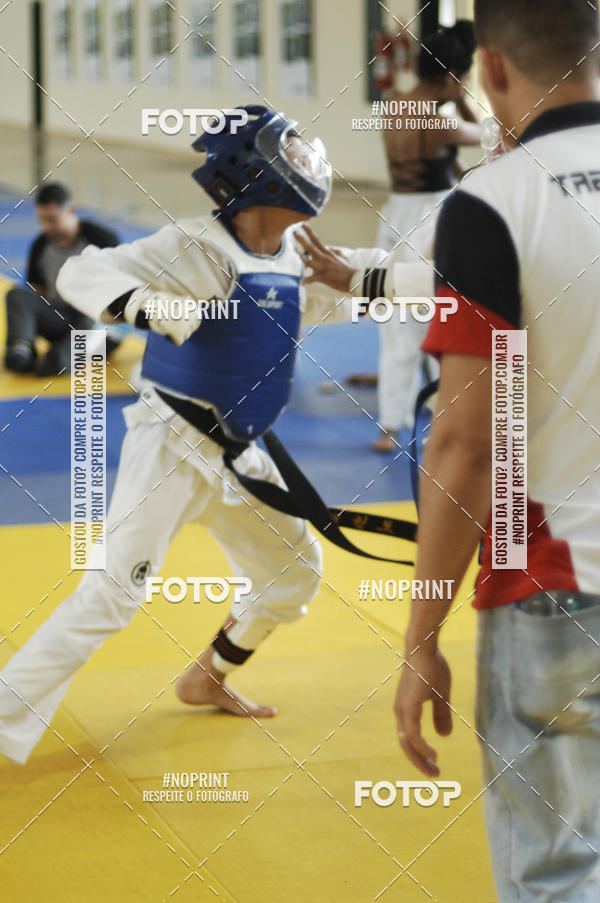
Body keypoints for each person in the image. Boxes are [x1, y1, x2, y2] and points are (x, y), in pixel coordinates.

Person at [0, 106, 344, 766]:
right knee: (112, 593)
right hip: (171, 447)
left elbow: (371, 276)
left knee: (294, 572)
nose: (307, 161)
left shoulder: (300, 254)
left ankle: (206, 675)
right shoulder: (193, 245)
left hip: (241, 452)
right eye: (292, 152)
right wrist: (145, 306)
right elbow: (81, 272)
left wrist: (460, 264)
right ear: (259, 175)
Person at [392, 2, 600, 901]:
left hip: (555, 578)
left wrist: (421, 635)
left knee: (555, 871)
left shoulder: (493, 202)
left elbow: (467, 443)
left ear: (494, 69)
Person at [373, 20, 482, 452]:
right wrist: (465, 98)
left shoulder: (394, 103)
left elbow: (446, 167)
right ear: (453, 77)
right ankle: (442, 413)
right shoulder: (443, 124)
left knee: (395, 321)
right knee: (438, 317)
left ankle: (390, 423)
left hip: (394, 215)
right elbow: (498, 140)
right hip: (429, 220)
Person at [3, 182, 120, 375]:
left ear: (71, 210)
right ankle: (21, 348)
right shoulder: (41, 245)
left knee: (59, 359)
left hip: (100, 326)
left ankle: (63, 357)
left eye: (52, 219)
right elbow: (37, 292)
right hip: (63, 319)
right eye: (42, 220)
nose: (47, 227)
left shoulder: (103, 241)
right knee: (17, 295)